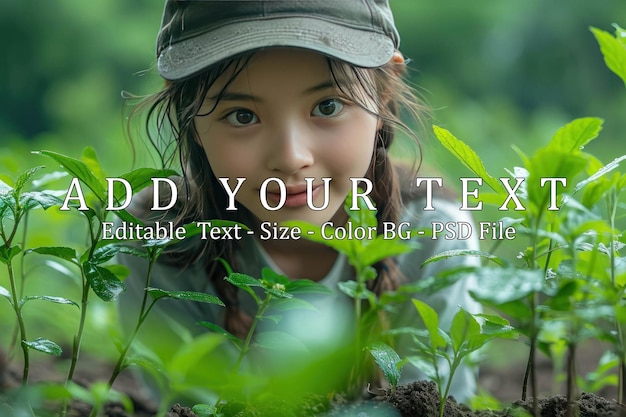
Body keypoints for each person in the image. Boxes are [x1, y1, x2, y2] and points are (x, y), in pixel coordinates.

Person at [118, 0, 482, 406]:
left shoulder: (432, 238)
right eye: (241, 115)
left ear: (382, 94)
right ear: (192, 120)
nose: (291, 157)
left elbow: (434, 405)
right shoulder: (157, 244)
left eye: (327, 106)